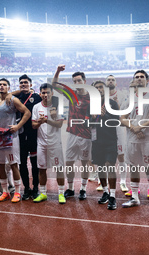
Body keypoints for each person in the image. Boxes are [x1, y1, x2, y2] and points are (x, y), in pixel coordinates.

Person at [120, 70, 149, 213]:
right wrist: (133, 128)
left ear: (147, 80)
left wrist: (141, 127)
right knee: (133, 168)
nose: (139, 79)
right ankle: (134, 198)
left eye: (142, 77)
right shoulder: (129, 98)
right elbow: (122, 118)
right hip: (132, 140)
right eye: (136, 77)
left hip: (148, 139)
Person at [0, 78, 31, 203]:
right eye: (0, 85)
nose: (1, 86)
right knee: (1, 165)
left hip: (11, 137)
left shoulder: (13, 100)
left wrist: (18, 126)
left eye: (4, 85)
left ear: (8, 88)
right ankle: (5, 192)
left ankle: (17, 192)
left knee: (13, 164)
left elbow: (27, 112)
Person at [52, 65, 91, 200]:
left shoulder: (92, 97)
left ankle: (83, 189)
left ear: (84, 81)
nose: (76, 83)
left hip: (87, 135)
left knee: (85, 163)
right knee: (69, 162)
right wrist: (58, 71)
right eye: (74, 81)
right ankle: (70, 188)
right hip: (72, 134)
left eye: (79, 81)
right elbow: (54, 85)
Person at [31, 83, 66, 204]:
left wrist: (47, 120)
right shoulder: (36, 107)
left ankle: (61, 194)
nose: (46, 95)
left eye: (48, 92)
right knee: (41, 169)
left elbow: (60, 124)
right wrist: (40, 122)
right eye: (43, 92)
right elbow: (33, 125)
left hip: (55, 143)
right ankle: (43, 193)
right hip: (41, 143)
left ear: (52, 93)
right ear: (40, 94)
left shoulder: (57, 106)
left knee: (59, 168)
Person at [88, 81, 119, 209]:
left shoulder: (112, 104)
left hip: (110, 140)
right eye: (96, 88)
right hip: (97, 141)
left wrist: (104, 115)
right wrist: (92, 118)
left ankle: (112, 196)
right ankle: (105, 192)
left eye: (101, 87)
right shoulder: (91, 105)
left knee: (109, 166)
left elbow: (116, 121)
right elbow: (88, 125)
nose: (99, 89)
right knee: (100, 167)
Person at [106, 75, 128, 192]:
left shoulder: (122, 96)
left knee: (121, 155)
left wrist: (117, 105)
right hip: (104, 129)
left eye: (113, 80)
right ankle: (102, 181)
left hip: (118, 128)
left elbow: (124, 114)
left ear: (116, 83)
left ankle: (123, 182)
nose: (110, 81)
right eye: (108, 80)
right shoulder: (101, 96)